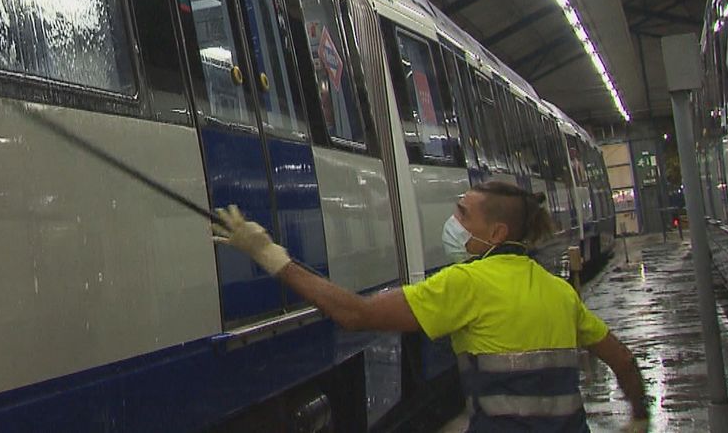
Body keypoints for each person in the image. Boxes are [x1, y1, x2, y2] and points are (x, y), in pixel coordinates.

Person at [213, 180, 650, 432]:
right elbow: (623, 360)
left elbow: (355, 315)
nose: (453, 223)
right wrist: (637, 417)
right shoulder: (560, 292)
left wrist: (271, 256)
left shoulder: (465, 285)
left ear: (496, 233)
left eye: (463, 215)